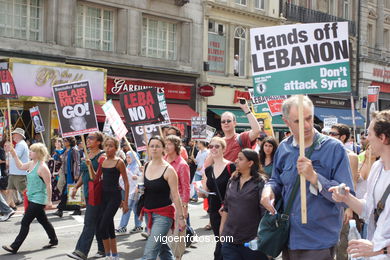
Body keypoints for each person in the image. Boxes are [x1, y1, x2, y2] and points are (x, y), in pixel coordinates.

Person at [260, 95, 354, 260]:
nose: (306, 125)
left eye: (309, 118)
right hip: (289, 236)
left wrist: (315, 178)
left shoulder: (334, 148)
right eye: (297, 121)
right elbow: (276, 180)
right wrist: (268, 190)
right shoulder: (284, 147)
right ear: (286, 121)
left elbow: (346, 195)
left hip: (319, 240)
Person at [329, 110, 390, 259]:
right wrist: (346, 198)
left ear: (382, 138)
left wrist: (382, 250)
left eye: (369, 134)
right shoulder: (377, 168)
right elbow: (368, 209)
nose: (366, 138)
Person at [2, 143, 58, 254]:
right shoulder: (32, 163)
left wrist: (49, 201)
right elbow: (20, 166)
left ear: (37, 153)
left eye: (32, 151)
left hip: (39, 199)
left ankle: (14, 246)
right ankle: (54, 240)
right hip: (32, 197)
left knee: (25, 222)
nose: (30, 152)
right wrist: (13, 153)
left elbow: (48, 185)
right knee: (44, 221)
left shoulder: (42, 167)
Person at [139, 136, 186, 260]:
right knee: (163, 249)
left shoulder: (169, 170)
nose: (154, 149)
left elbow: (176, 195)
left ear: (163, 149)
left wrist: (181, 218)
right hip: (148, 213)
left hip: (164, 215)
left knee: (150, 251)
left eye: (158, 146)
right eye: (152, 146)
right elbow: (144, 189)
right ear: (148, 148)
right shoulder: (146, 165)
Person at [219, 149, 268, 260]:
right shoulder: (232, 180)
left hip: (252, 241)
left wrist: (259, 237)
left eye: (240, 159)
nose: (236, 161)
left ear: (250, 163)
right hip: (229, 240)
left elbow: (265, 213)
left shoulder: (260, 183)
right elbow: (226, 207)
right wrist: (222, 231)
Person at [66, 132, 106, 260]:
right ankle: (103, 249)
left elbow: (98, 176)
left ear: (99, 142)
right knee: (98, 222)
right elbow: (85, 175)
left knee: (89, 222)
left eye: (91, 138)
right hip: (89, 192)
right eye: (87, 138)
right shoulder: (87, 154)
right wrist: (76, 187)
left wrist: (90, 165)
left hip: (98, 194)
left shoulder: (102, 156)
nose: (88, 140)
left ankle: (81, 251)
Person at [91, 136, 129, 260]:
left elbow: (126, 182)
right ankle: (113, 256)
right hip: (103, 196)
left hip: (114, 197)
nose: (107, 148)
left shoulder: (119, 162)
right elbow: (96, 178)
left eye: (111, 146)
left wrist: (126, 202)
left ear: (116, 148)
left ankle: (109, 255)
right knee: (109, 227)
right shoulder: (102, 160)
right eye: (106, 145)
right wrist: (90, 166)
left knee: (102, 226)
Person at [201, 137, 235, 260]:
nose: (213, 149)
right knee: (219, 240)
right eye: (211, 146)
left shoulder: (231, 167)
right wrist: (200, 191)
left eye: (217, 146)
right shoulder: (209, 170)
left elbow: (237, 190)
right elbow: (205, 192)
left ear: (224, 149)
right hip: (214, 209)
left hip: (229, 210)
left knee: (224, 243)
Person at [328, 124, 359, 260]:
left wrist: (349, 208)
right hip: (326, 203)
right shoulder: (326, 153)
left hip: (342, 205)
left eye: (333, 134)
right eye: (329, 133)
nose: (330, 136)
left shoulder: (351, 157)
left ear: (343, 137)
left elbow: (352, 183)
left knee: (342, 245)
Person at [164, 135, 190, 259]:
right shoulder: (162, 161)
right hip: (161, 205)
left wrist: (184, 209)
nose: (167, 146)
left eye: (169, 144)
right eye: (166, 143)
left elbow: (186, 188)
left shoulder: (182, 164)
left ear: (176, 146)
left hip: (176, 206)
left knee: (175, 242)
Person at [115, 150, 143, 235]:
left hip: (136, 191)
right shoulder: (128, 166)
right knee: (135, 208)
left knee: (128, 207)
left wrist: (137, 177)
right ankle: (138, 226)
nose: (127, 159)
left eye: (129, 157)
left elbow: (143, 177)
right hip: (130, 191)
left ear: (134, 158)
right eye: (127, 157)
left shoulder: (138, 166)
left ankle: (123, 227)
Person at [54, 136, 81, 217]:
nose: (64, 142)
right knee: (70, 191)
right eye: (64, 140)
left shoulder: (74, 151)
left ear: (70, 142)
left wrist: (76, 174)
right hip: (66, 174)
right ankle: (77, 209)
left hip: (72, 174)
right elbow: (60, 161)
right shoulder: (64, 151)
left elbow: (77, 162)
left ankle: (60, 209)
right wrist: (57, 155)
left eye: (65, 140)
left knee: (66, 192)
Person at [7, 128, 29, 210]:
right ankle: (9, 208)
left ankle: (33, 206)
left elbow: (17, 156)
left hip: (19, 173)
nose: (12, 136)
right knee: (9, 190)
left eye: (14, 134)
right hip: (14, 172)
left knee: (24, 192)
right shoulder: (19, 144)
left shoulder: (21, 144)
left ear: (19, 135)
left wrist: (11, 150)